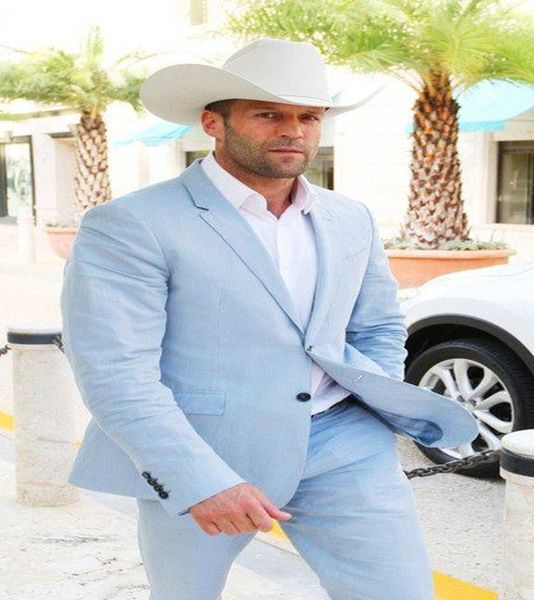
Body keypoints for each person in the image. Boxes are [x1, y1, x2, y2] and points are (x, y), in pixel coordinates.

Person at [60, 38, 477, 600]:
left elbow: (377, 326)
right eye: (268, 114)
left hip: (344, 441)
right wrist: (197, 480)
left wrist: (372, 412)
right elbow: (116, 374)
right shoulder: (132, 224)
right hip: (204, 446)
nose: (293, 130)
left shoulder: (349, 217)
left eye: (308, 116)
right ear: (213, 122)